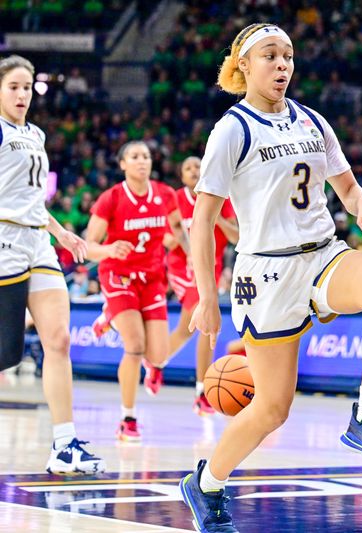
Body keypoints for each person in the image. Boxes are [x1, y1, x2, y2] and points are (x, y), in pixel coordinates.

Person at [179, 23, 362, 532]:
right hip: (265, 270)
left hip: (323, 252)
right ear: (244, 64)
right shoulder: (232, 130)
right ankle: (207, 483)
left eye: (288, 56)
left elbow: (349, 191)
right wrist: (206, 296)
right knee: (271, 409)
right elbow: (201, 222)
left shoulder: (311, 119)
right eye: (270, 56)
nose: (282, 65)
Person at [0, 55, 105, 474]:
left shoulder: (37, 134)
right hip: (3, 238)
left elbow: (33, 199)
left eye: (28, 87)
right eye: (14, 87)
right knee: (4, 353)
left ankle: (64, 445)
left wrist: (61, 233)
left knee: (58, 340)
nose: (23, 94)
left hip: (38, 242)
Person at [85, 140, 189, 442]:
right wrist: (108, 249)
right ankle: (127, 419)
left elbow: (177, 231)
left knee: (157, 354)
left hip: (153, 279)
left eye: (145, 156)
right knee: (134, 346)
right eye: (134, 156)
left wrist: (186, 252)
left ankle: (119, 328)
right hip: (119, 277)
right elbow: (88, 247)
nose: (142, 161)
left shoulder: (165, 194)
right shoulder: (111, 198)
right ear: (123, 164)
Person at [165, 156, 239, 415]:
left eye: (197, 166)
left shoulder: (220, 195)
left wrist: (213, 217)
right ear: (182, 177)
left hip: (209, 266)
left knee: (189, 329)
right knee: (201, 322)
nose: (194, 170)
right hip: (180, 265)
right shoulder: (174, 198)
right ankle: (201, 391)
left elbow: (236, 237)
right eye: (187, 168)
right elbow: (166, 237)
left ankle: (157, 362)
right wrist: (185, 246)